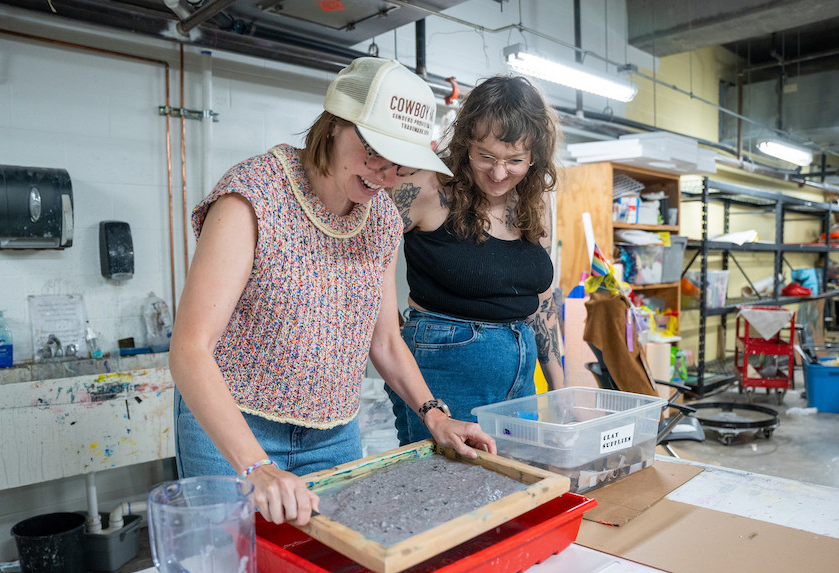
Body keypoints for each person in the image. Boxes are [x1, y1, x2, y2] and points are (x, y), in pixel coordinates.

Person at [169, 57, 495, 528]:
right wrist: (256, 466)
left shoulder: (381, 218)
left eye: (399, 164)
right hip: (235, 427)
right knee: (236, 568)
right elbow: (189, 349)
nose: (384, 175)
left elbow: (383, 339)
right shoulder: (253, 197)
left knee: (327, 566)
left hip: (332, 432)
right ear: (335, 124)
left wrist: (434, 415)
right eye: (374, 153)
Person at [386, 74, 563, 445]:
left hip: (521, 372)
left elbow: (543, 300)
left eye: (515, 160)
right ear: (466, 143)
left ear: (534, 157)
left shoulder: (536, 199)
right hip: (446, 371)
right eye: (486, 157)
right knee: (449, 492)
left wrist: (560, 393)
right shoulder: (425, 187)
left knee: (514, 483)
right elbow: (362, 268)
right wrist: (395, 340)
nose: (499, 174)